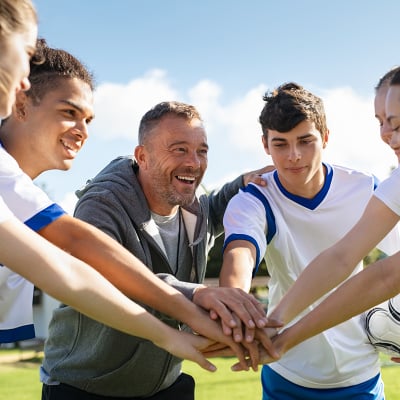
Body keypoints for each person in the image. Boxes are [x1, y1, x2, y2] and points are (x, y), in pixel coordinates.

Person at [0, 37, 272, 370]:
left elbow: (71, 276)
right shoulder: (94, 199)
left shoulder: (17, 192)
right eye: (69, 112)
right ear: (21, 102)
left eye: (88, 119)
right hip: (86, 387)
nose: (83, 131)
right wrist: (193, 303)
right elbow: (82, 254)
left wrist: (167, 334)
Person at [39, 100, 275, 400]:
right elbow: (115, 280)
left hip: (164, 385)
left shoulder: (192, 203)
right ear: (143, 156)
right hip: (86, 387)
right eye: (179, 149)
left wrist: (241, 183)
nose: (194, 162)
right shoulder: (100, 204)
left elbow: (213, 210)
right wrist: (199, 293)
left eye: (201, 151)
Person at [219, 82, 400, 399]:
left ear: (326, 137)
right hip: (287, 372)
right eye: (280, 144)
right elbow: (240, 257)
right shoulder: (254, 200)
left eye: (305, 141)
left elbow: (391, 269)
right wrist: (237, 310)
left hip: (359, 373)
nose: (293, 156)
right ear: (265, 144)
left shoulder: (366, 189)